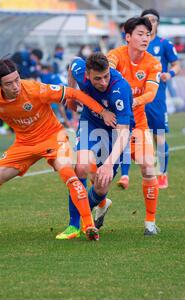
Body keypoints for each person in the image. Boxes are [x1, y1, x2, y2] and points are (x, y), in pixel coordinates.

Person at [0, 59, 117, 241]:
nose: (16, 86)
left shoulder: (35, 89)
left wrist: (102, 112)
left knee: (69, 174)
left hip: (53, 137)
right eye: (9, 83)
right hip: (24, 144)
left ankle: (88, 226)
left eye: (17, 79)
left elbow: (73, 93)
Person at [55, 52, 134, 239]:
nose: (104, 82)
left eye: (106, 76)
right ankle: (74, 225)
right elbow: (73, 63)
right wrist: (71, 94)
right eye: (97, 78)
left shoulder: (120, 88)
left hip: (116, 131)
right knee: (80, 167)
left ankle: (96, 205)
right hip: (90, 122)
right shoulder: (81, 71)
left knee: (101, 187)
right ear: (88, 76)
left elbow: (123, 132)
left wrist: (107, 164)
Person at [106, 16, 162, 235]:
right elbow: (107, 71)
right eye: (140, 34)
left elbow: (151, 93)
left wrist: (132, 102)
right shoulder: (115, 56)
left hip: (138, 124)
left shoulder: (153, 63)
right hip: (110, 125)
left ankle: (150, 222)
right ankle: (97, 210)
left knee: (149, 166)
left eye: (147, 34)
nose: (145, 38)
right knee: (97, 173)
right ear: (127, 36)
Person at [135, 8, 181, 189]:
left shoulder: (164, 44)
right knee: (134, 136)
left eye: (153, 20)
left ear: (157, 23)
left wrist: (169, 74)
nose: (150, 23)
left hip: (156, 97)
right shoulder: (136, 45)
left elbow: (177, 65)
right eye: (146, 20)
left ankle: (162, 173)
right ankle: (138, 174)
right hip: (137, 96)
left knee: (158, 137)